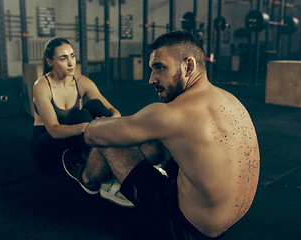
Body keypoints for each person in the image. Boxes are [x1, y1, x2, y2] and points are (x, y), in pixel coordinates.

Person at [63, 30, 260, 239]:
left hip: (186, 230)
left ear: (188, 66)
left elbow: (93, 135)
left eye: (159, 68)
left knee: (109, 140)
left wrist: (105, 124)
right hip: (231, 217)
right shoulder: (231, 101)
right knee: (153, 138)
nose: (151, 79)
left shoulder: (171, 113)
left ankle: (87, 178)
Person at [30, 37, 120, 174]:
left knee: (94, 105)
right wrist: (88, 127)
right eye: (63, 58)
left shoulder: (81, 81)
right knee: (82, 115)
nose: (71, 62)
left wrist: (112, 119)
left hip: (72, 140)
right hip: (46, 146)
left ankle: (123, 156)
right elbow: (54, 130)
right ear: (50, 62)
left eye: (72, 56)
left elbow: (112, 110)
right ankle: (105, 169)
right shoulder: (42, 86)